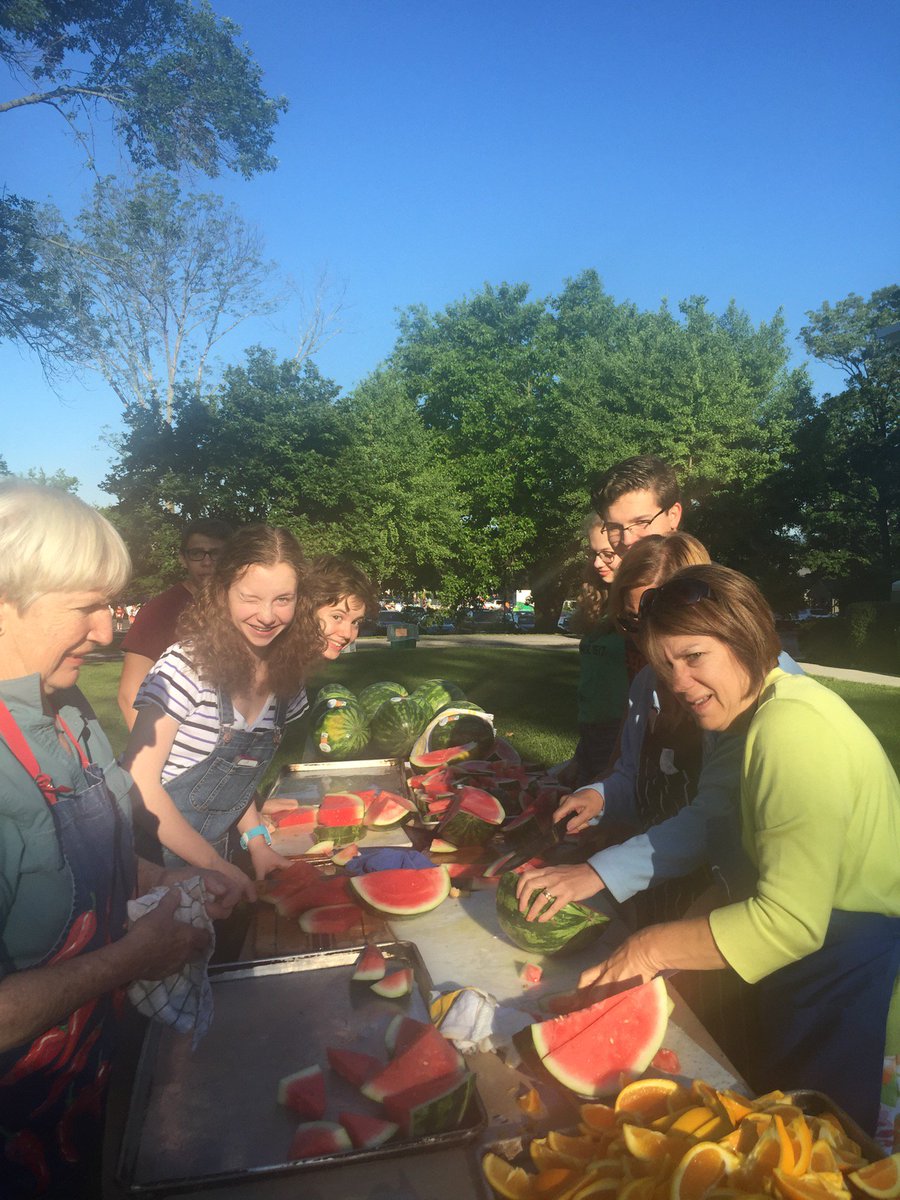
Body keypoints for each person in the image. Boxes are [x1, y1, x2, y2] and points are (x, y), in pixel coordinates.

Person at [576, 564, 900, 1134]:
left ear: (746, 638)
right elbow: (753, 866)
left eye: (694, 656)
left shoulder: (791, 730)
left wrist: (651, 948)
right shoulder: (762, 716)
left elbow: (790, 923)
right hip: (823, 973)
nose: (677, 682)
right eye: (665, 664)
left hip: (859, 994)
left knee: (825, 1166)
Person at [0, 481, 240, 1198]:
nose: (109, 633)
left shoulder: (67, 708)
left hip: (78, 1089)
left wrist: (163, 882)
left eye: (112, 605)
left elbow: (93, 850)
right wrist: (128, 961)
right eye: (87, 608)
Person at [519, 533, 714, 931]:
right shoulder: (646, 684)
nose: (646, 639)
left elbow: (715, 818)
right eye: (631, 623)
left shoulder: (733, 695)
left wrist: (598, 873)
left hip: (719, 897)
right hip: (655, 885)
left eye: (660, 620)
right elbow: (632, 771)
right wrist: (598, 796)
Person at [123, 526, 316, 898]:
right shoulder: (184, 667)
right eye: (250, 598)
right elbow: (138, 782)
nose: (266, 615)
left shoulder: (288, 681)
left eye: (282, 599)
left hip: (218, 857)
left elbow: (237, 775)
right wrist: (211, 865)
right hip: (152, 868)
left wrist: (257, 842)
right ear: (223, 592)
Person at [117, 519, 233, 729]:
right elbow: (129, 694)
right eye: (197, 553)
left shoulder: (240, 608)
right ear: (183, 558)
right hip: (177, 746)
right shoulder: (160, 611)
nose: (207, 562)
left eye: (216, 554)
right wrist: (153, 753)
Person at [556, 515, 628, 788]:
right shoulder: (601, 604)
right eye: (595, 554)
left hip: (619, 732)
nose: (597, 563)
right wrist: (582, 752)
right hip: (591, 728)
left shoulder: (637, 612)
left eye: (607, 555)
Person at [591, 454, 683, 557]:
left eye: (641, 522)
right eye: (614, 527)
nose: (627, 540)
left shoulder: (700, 573)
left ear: (673, 515)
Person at [303, 554, 379, 664]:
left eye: (355, 622)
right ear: (306, 608)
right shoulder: (274, 668)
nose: (347, 634)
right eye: (337, 617)